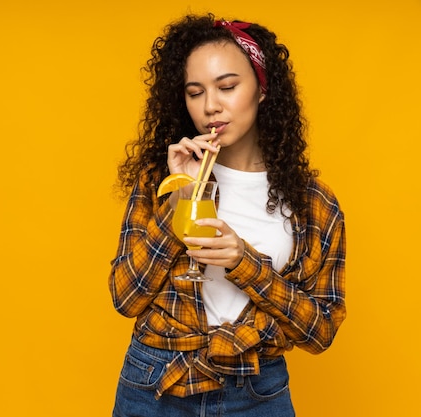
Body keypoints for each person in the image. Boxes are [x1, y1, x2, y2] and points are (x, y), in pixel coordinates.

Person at [109, 13, 346, 417]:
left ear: (262, 89)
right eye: (195, 92)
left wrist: (244, 263)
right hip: (156, 383)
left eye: (228, 86)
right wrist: (180, 200)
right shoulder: (161, 179)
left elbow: (320, 330)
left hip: (256, 390)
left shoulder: (312, 203)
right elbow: (125, 297)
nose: (211, 106)